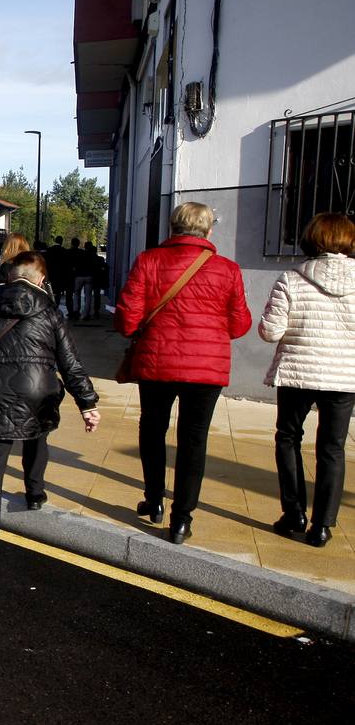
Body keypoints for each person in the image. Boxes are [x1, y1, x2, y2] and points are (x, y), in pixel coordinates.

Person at [115, 202, 251, 544]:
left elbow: (128, 318)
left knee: (153, 429)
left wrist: (141, 330)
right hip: (206, 368)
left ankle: (154, 499)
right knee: (194, 440)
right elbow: (239, 324)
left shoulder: (149, 261)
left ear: (173, 227)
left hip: (157, 362)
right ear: (208, 230)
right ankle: (181, 520)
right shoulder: (227, 269)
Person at [0, 251, 100, 557]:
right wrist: (87, 403)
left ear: (10, 275)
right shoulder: (50, 310)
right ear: (41, 279)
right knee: (36, 438)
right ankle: (34, 493)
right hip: (37, 392)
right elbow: (70, 362)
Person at [258, 212, 355, 549]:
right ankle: (322, 526)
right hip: (343, 376)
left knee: (288, 438)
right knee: (333, 448)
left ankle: (294, 513)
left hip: (298, 372)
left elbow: (271, 333)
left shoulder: (291, 278)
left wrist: (267, 318)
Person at [44, 236, 70, 318]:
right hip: (60, 275)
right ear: (61, 242)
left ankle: (50, 308)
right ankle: (56, 307)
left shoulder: (49, 250)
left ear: (55, 240)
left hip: (50, 274)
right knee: (58, 293)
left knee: (50, 291)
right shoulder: (64, 251)